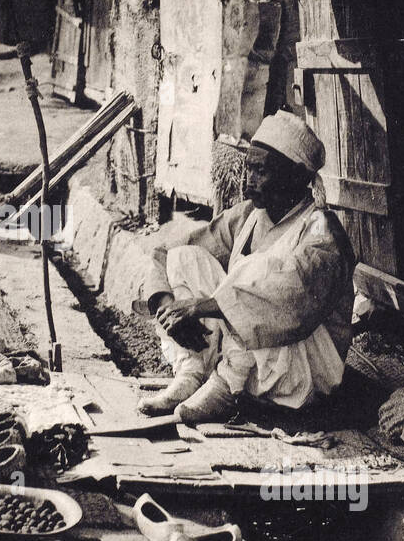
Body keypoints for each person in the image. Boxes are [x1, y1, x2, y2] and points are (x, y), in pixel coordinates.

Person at [139, 110, 356, 422]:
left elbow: (290, 299)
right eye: (247, 168)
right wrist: (170, 305)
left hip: (302, 371)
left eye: (260, 171)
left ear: (296, 176)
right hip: (255, 359)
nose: (247, 181)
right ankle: (192, 372)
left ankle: (225, 385)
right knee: (185, 258)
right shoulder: (248, 216)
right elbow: (165, 253)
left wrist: (203, 306)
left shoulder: (322, 229)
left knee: (257, 272)